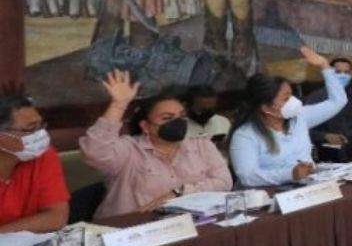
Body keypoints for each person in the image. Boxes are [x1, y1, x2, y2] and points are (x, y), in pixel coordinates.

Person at [80, 72, 233, 219]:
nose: (177, 122)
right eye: (167, 118)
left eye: (181, 116)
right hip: (130, 228)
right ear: (146, 126)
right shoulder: (129, 149)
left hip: (185, 224)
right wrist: (118, 105)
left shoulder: (201, 145)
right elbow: (95, 153)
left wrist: (179, 192)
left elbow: (224, 182)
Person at [231, 46, 348, 186]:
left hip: (308, 189)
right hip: (269, 195)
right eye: (285, 99)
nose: (293, 101)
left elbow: (338, 101)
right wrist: (290, 174)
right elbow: (248, 176)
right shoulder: (245, 135)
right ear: (266, 108)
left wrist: (324, 66)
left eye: (291, 95)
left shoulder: (299, 117)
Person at [0, 94, 69, 233]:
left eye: (41, 126)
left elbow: (57, 217)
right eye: (31, 129)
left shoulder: (43, 155)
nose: (41, 134)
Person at [306, 57, 352, 158]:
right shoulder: (317, 97)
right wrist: (324, 136)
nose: (343, 75)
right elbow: (300, 128)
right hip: (328, 151)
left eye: (346, 72)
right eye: (338, 72)